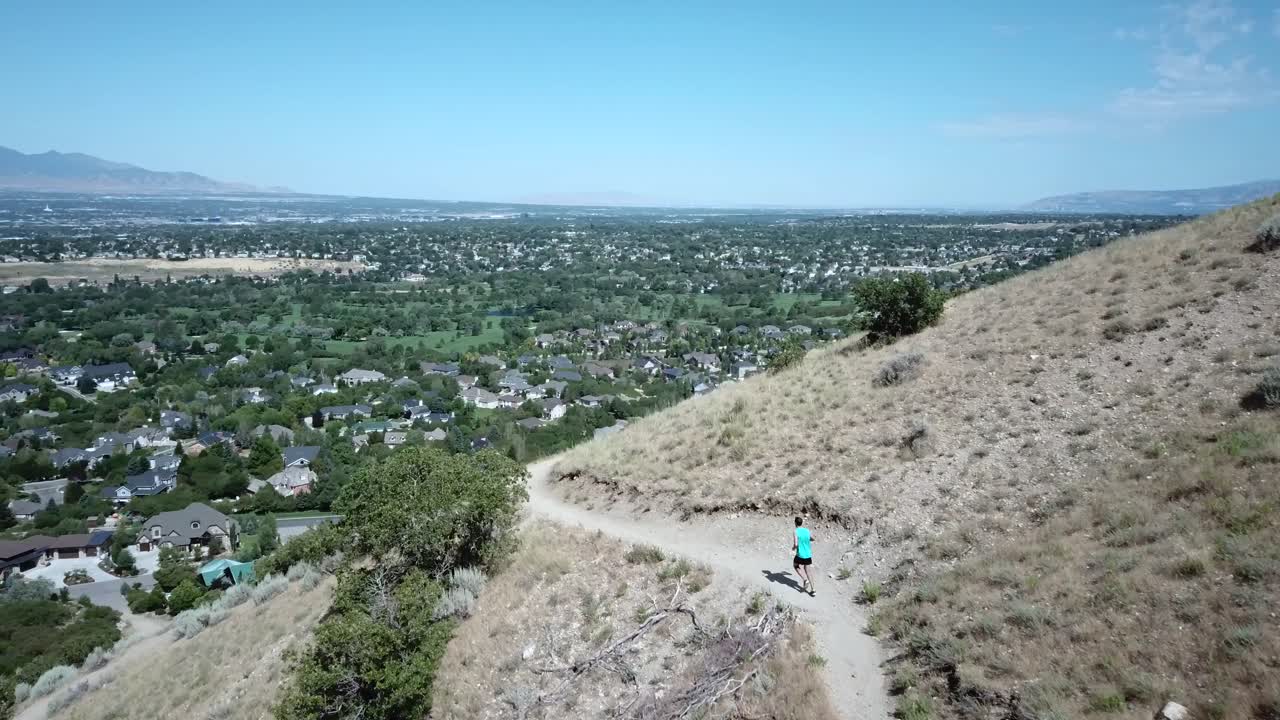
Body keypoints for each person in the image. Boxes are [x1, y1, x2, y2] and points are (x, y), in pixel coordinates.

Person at [792, 516, 815, 596]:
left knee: (795, 565)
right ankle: (813, 589)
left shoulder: (796, 531)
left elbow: (796, 544)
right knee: (808, 571)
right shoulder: (807, 530)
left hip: (800, 554)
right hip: (808, 554)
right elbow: (813, 538)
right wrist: (807, 539)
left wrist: (793, 548)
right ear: (802, 523)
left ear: (795, 523)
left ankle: (805, 579)